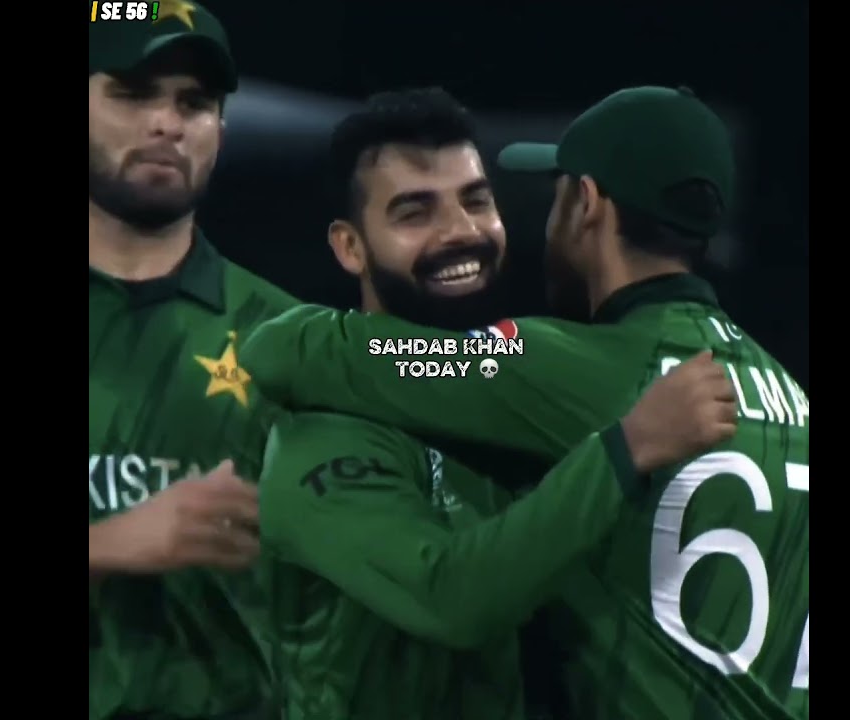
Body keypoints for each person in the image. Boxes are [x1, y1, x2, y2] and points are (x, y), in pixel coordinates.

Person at [243, 86, 809, 719]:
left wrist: (288, 334)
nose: (461, 231)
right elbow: (451, 596)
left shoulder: (554, 371)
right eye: (414, 212)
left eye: (478, 201)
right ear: (350, 246)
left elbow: (285, 351)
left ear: (585, 203)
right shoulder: (787, 393)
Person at [87, 4, 299, 719]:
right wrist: (107, 544)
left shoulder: (289, 338)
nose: (167, 124)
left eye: (194, 103)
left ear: (220, 132)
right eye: (133, 93)